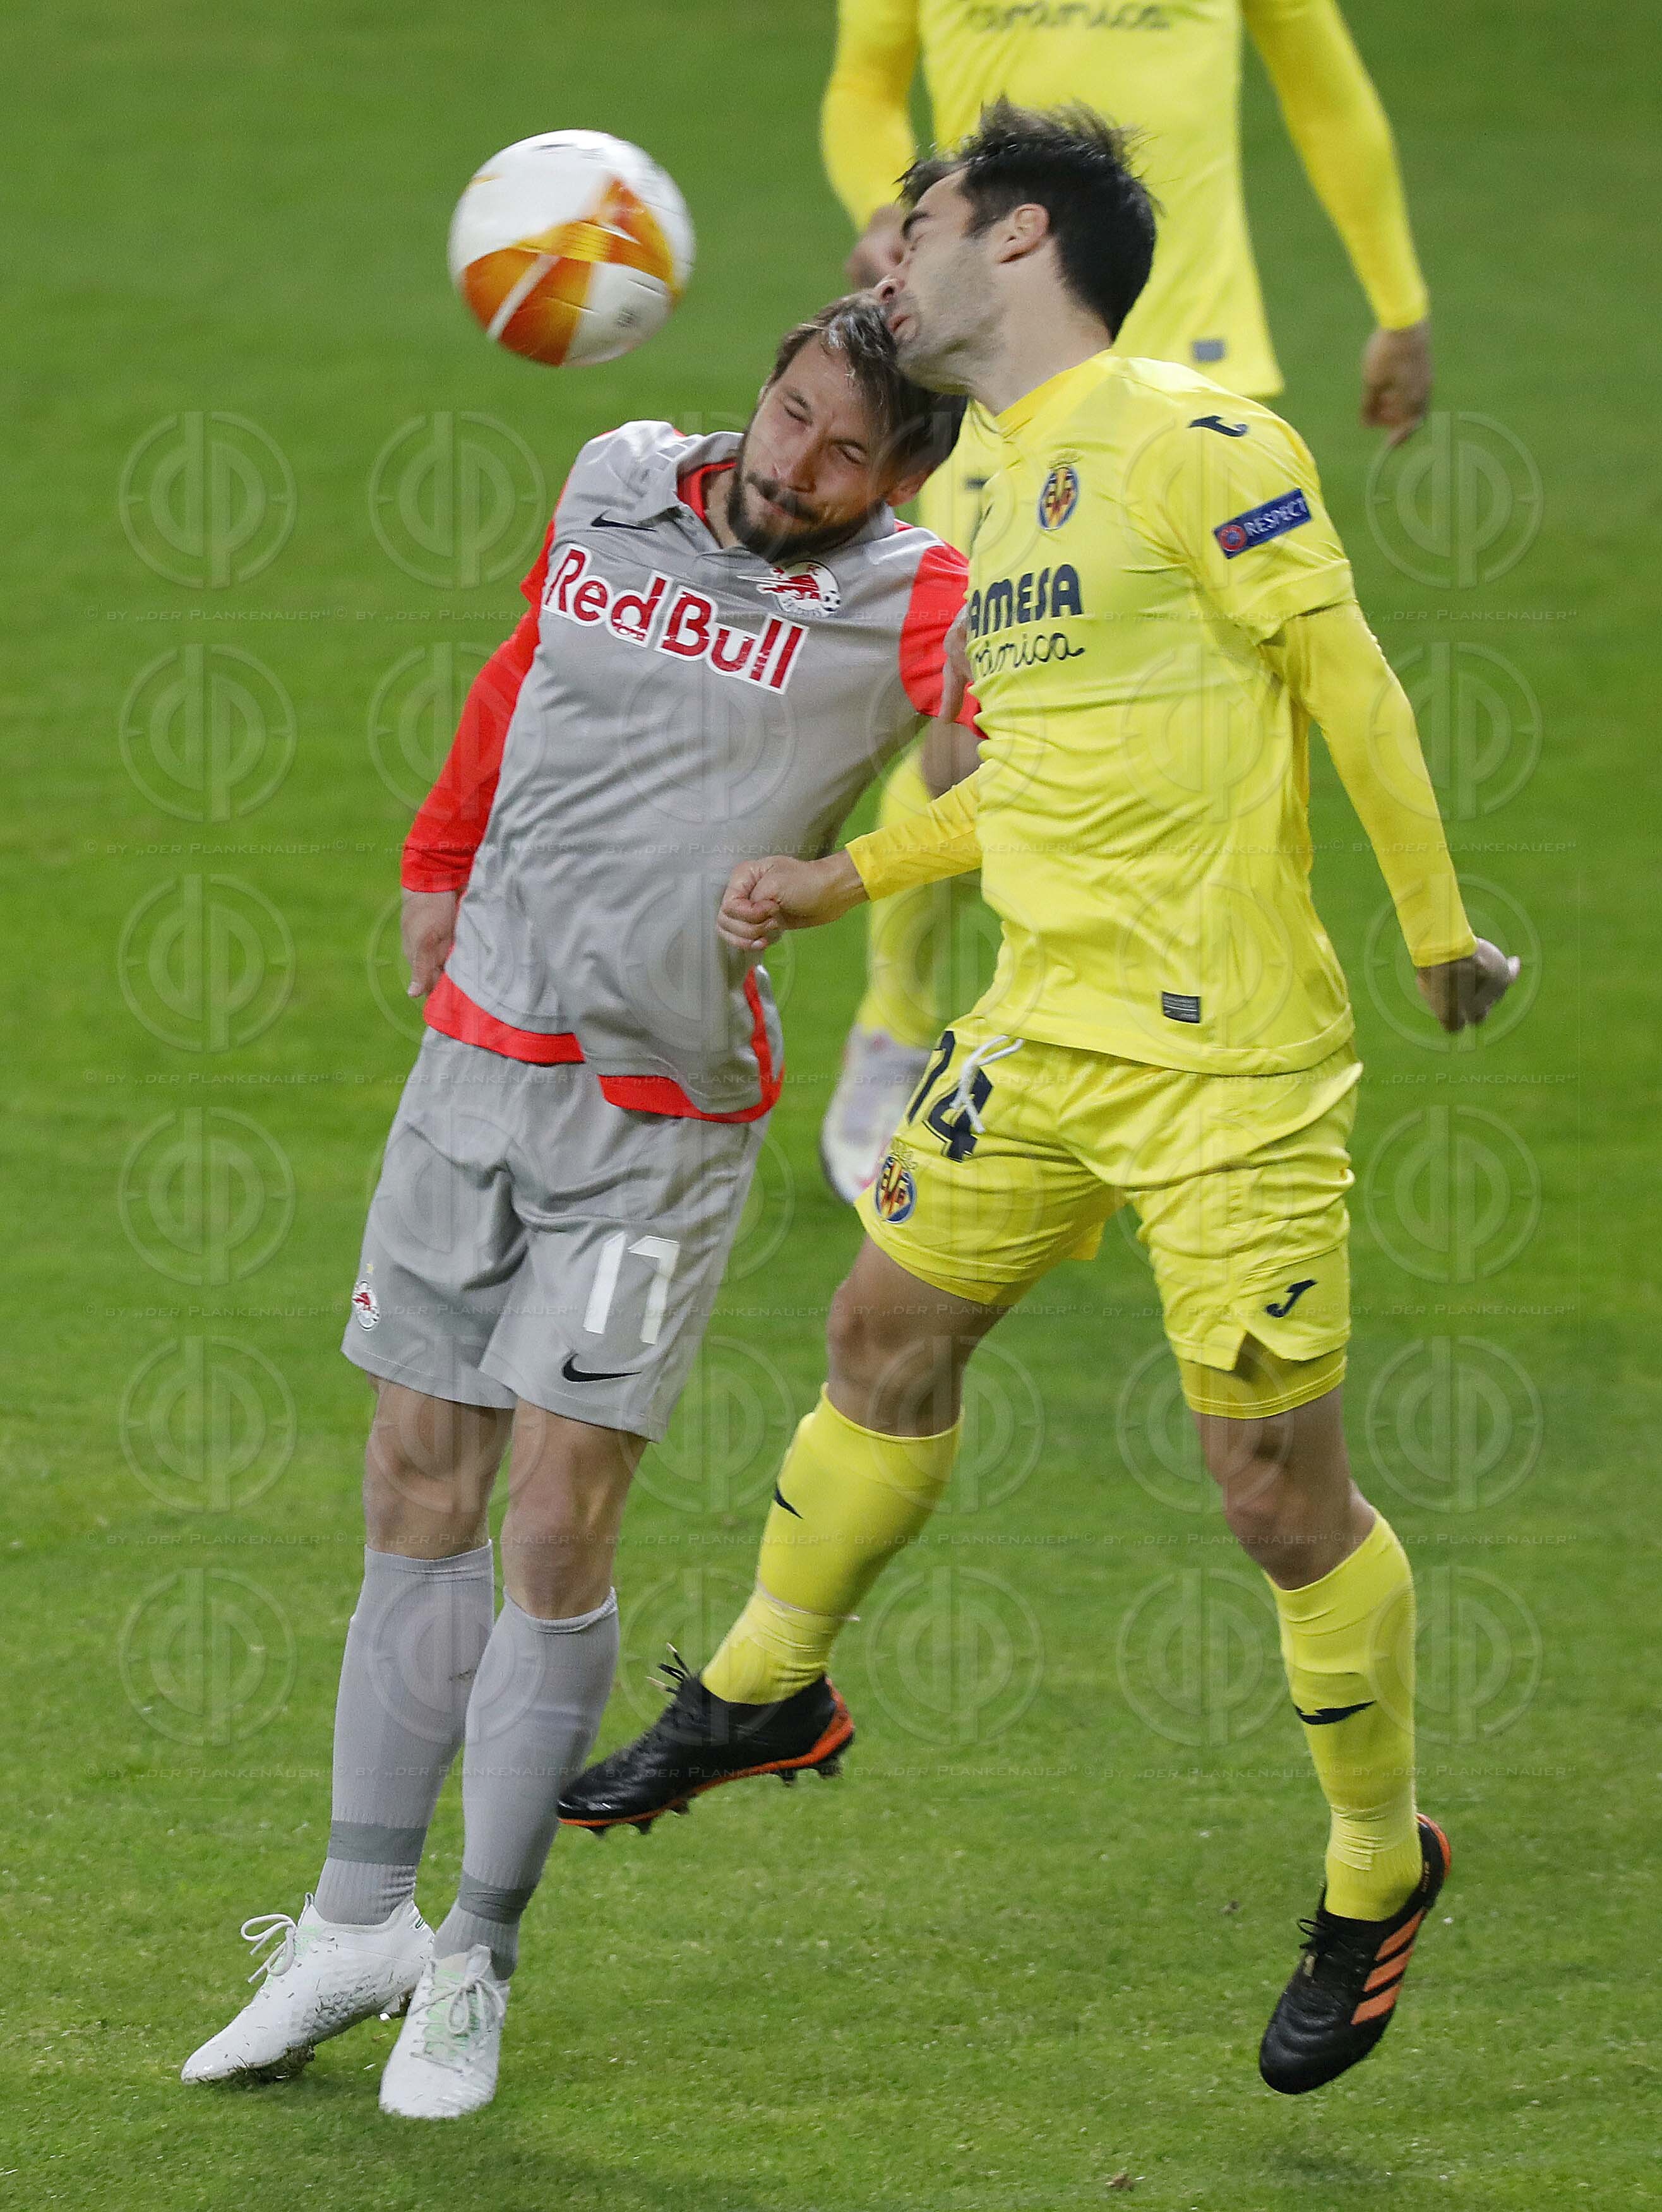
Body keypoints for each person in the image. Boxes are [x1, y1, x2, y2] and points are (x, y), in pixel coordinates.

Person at [558, 106, 1520, 2098]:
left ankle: (1374, 1866)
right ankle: (767, 1687)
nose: (880, 257)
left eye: (910, 224)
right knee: (880, 1336)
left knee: (1272, 1494)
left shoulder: (1201, 441)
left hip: (1228, 1063)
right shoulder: (987, 478)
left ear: (1008, 236)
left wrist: (1435, 926)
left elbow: (1347, 682)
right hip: (1043, 1027)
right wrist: (850, 879)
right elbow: (1045, 789)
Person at [178, 295, 969, 2119]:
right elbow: (529, 660)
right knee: (411, 1486)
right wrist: (439, 856)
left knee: (553, 1518)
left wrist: (853, 874)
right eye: (787, 417)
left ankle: (477, 1959)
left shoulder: (920, 590)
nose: (796, 467)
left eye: (846, 451)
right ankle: (355, 1918)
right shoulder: (618, 476)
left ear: (908, 470)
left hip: (659, 1113)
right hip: (474, 1061)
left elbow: (1035, 761)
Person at [816, 0, 1440, 1203]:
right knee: (971, 744)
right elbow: (862, 84)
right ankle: (897, 1028)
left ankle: (1162, 1051)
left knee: (1199, 735)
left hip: (1200, 365)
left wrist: (1397, 298)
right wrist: (890, 222)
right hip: (1014, 367)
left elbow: (1323, 87)